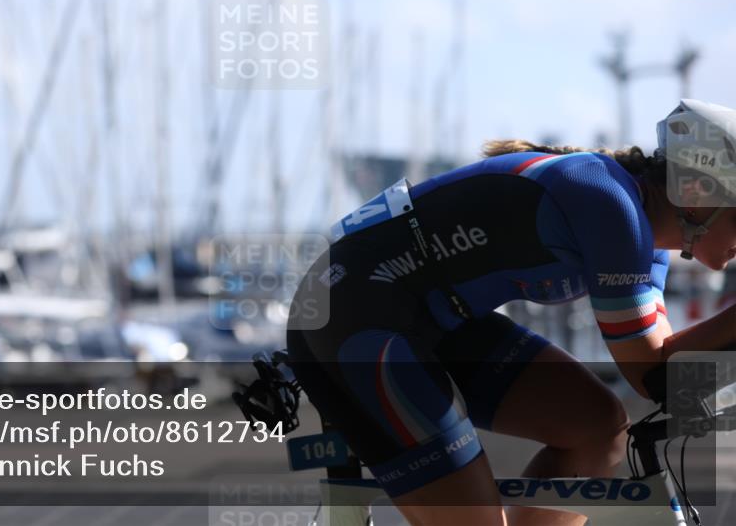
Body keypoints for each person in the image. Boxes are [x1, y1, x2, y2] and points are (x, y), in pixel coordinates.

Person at [286, 99, 736, 526]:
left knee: (597, 427)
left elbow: (665, 377)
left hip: (435, 317)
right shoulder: (611, 206)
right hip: (356, 313)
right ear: (697, 195)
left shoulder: (648, 241)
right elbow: (650, 369)